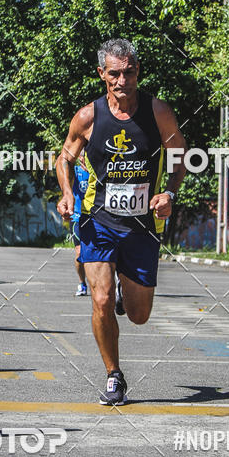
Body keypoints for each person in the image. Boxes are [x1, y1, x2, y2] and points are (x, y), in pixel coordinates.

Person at [56, 38, 187, 405]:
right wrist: (67, 193)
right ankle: (114, 375)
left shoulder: (158, 112)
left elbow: (180, 155)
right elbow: (64, 158)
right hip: (97, 220)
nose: (122, 81)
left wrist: (169, 193)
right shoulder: (88, 117)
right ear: (102, 74)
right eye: (114, 74)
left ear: (138, 71)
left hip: (142, 226)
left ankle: (123, 294)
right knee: (100, 299)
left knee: (139, 314)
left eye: (129, 72)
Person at [71, 153, 89, 296]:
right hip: (78, 217)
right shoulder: (75, 172)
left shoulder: (99, 171)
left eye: (85, 156)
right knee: (79, 253)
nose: (83, 159)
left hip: (96, 218)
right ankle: (82, 283)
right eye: (81, 156)